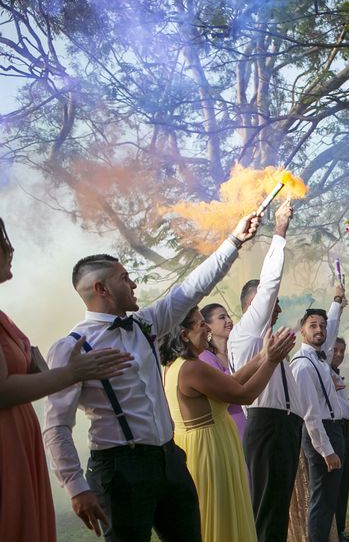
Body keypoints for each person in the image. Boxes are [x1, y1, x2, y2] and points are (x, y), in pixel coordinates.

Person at [43, 212, 259, 540]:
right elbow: (57, 425)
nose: (133, 283)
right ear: (101, 288)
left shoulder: (144, 323)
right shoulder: (71, 346)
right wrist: (75, 487)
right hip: (120, 468)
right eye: (124, 277)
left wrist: (234, 241)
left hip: (170, 458)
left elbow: (191, 290)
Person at [0, 217, 131, 542]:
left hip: (18, 439)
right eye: (3, 242)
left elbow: (37, 375)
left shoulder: (4, 317)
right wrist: (73, 373)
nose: (11, 248)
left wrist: (48, 371)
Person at [161, 307, 297, 542]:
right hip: (211, 452)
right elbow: (243, 395)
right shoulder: (192, 368)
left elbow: (231, 382)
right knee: (220, 517)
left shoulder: (176, 365)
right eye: (201, 324)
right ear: (184, 334)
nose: (207, 329)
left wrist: (263, 355)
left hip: (200, 447)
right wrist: (272, 361)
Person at [228, 200, 313, 542]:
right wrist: (280, 231)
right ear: (253, 304)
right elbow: (269, 283)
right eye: (270, 302)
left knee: (277, 507)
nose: (276, 306)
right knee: (265, 509)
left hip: (285, 424)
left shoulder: (268, 337)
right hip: (265, 423)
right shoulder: (247, 329)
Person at [289, 293, 346, 542]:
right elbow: (310, 415)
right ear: (302, 331)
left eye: (322, 325)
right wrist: (326, 450)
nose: (320, 329)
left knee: (329, 499)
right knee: (321, 500)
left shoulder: (321, 358)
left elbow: (331, 329)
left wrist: (336, 302)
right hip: (321, 433)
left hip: (333, 429)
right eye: (313, 325)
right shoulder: (302, 364)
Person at [198, 303, 247, 438]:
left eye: (228, 316)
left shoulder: (236, 352)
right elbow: (225, 390)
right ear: (208, 326)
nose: (229, 321)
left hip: (249, 420)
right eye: (222, 317)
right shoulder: (206, 357)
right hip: (230, 426)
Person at [328, 336, 349, 541]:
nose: (339, 354)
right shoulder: (322, 371)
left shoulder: (338, 374)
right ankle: (333, 532)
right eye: (335, 349)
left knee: (344, 480)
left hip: (344, 428)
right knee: (333, 483)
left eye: (342, 351)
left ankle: (342, 529)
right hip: (332, 428)